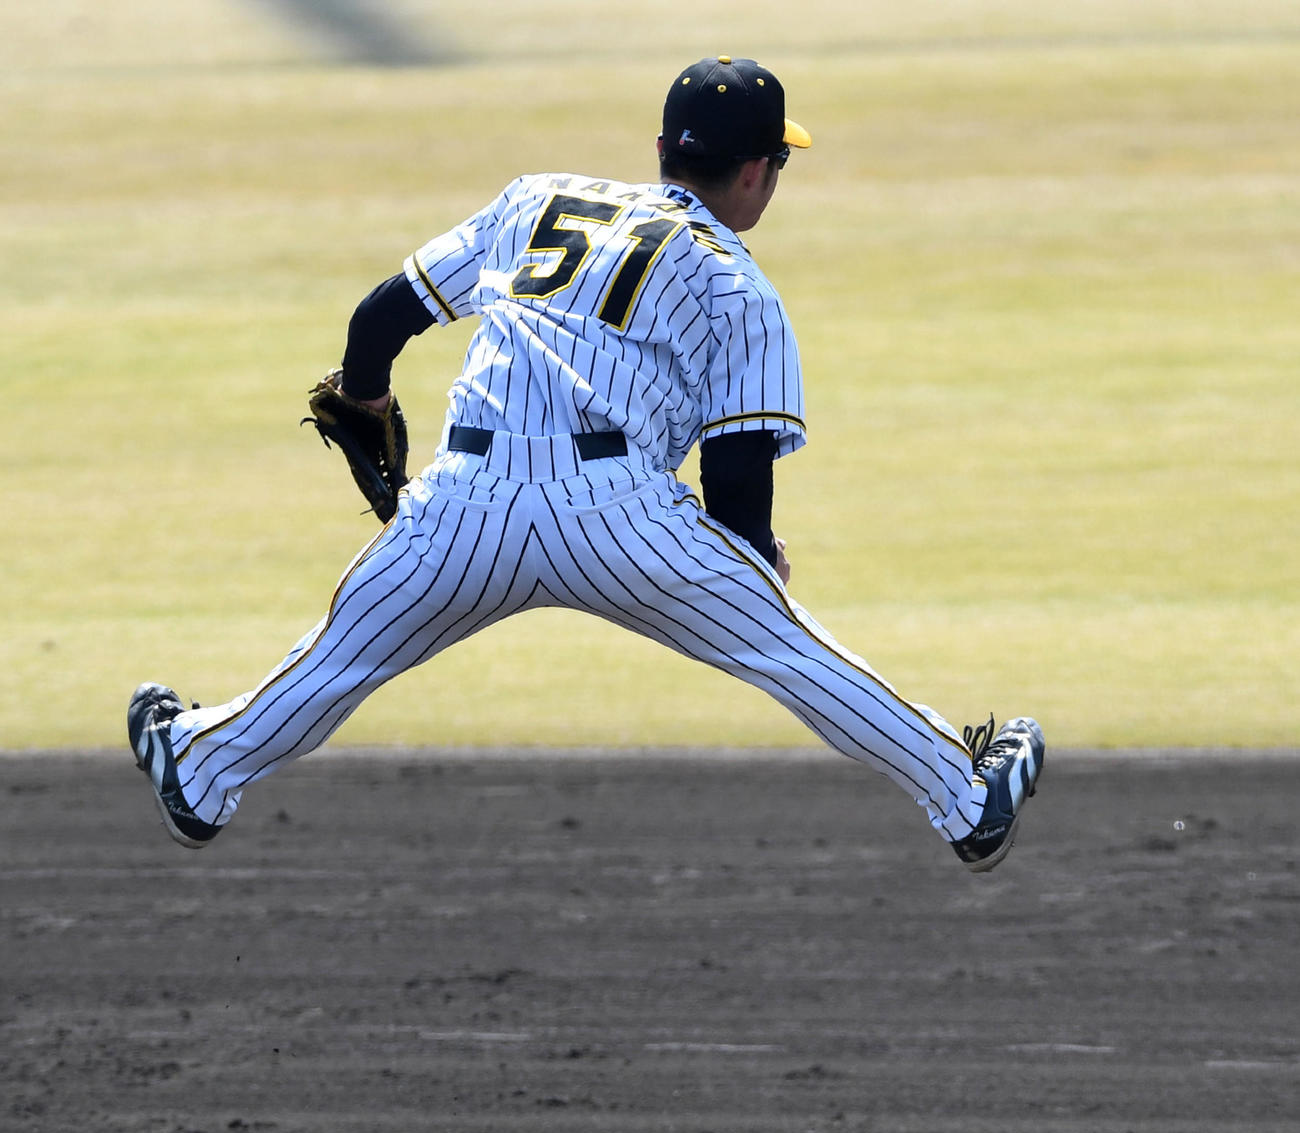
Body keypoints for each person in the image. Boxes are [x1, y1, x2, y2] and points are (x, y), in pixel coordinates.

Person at [128, 55, 1044, 872]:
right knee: (790, 655)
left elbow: (380, 319)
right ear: (761, 171)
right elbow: (734, 470)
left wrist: (366, 399)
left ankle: (201, 770)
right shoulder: (737, 284)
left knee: (340, 661)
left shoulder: (536, 199)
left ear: (660, 146)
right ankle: (967, 800)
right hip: (621, 519)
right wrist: (751, 562)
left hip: (463, 508)